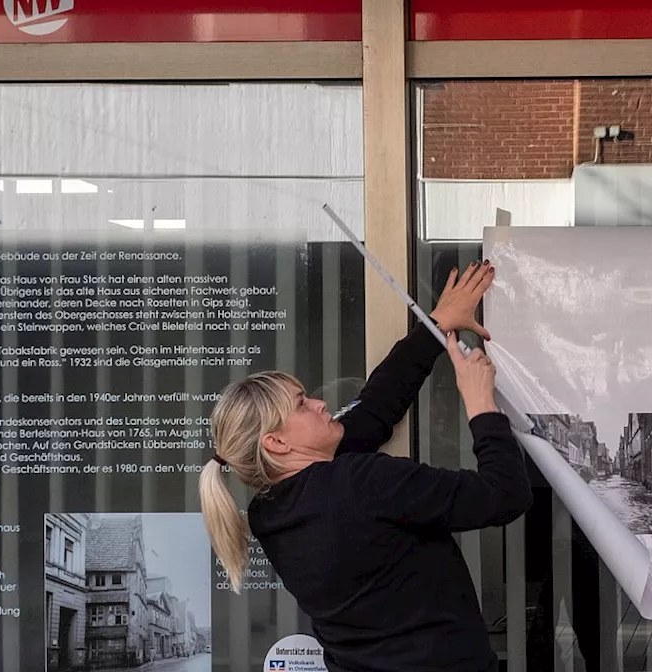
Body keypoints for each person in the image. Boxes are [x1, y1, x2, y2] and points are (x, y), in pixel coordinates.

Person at [199, 260, 533, 672]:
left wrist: (437, 324)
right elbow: (505, 494)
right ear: (276, 442)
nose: (320, 403)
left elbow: (374, 409)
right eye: (302, 404)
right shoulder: (360, 484)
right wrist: (481, 402)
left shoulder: (272, 512)